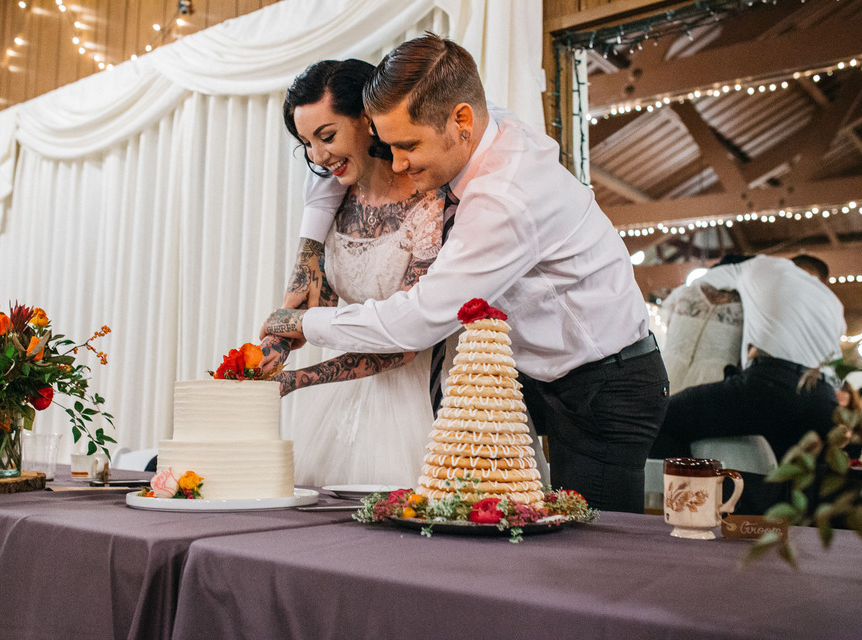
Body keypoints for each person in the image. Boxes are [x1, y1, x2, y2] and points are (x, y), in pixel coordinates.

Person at [262, 33, 669, 513]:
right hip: (537, 375)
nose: (395, 162)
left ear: (460, 122)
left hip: (605, 384)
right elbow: (337, 164)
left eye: (406, 146)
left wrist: (302, 324)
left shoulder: (503, 199)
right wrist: (309, 246)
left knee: (592, 554)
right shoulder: (473, 117)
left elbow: (423, 318)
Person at [260, 59, 444, 488]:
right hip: (342, 400)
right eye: (306, 142)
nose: (318, 157)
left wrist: (295, 381)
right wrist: (269, 354)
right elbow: (314, 301)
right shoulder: (333, 200)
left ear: (368, 119)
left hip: (420, 395)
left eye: (327, 136)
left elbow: (406, 345)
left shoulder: (431, 204)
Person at [650, 254, 846, 462]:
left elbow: (705, 281)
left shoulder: (759, 266)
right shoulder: (834, 304)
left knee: (663, 419)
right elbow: (837, 371)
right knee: (807, 476)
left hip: (770, 384)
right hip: (823, 398)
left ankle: (689, 492)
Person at [659, 254, 750, 394]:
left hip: (667, 374)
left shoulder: (683, 293)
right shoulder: (745, 307)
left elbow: (668, 328)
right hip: (713, 385)